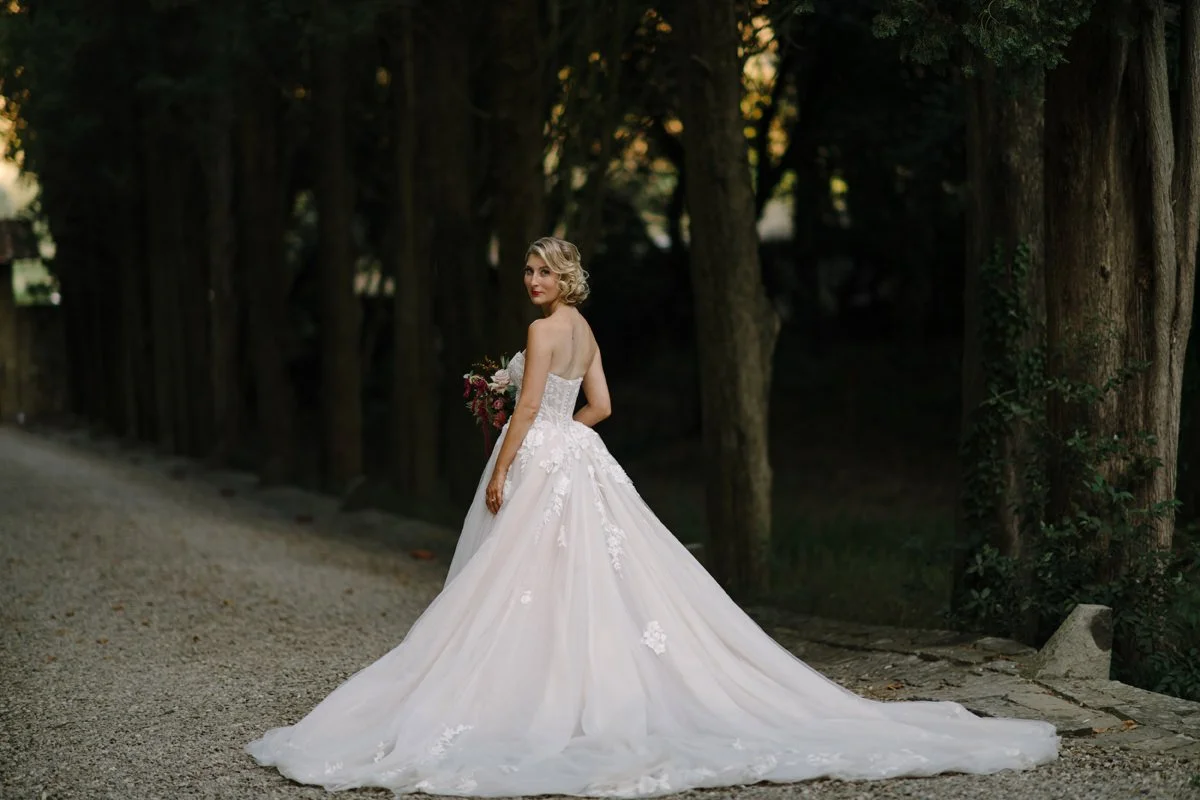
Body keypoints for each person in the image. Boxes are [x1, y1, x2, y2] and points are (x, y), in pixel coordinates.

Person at [246, 237, 1058, 797]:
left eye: (541, 271)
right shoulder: (587, 329)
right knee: (584, 579)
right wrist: (567, 438)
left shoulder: (537, 333)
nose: (531, 281)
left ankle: (531, 690)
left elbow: (527, 410)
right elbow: (602, 405)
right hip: (582, 461)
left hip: (539, 461)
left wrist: (503, 467)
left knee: (512, 582)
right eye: (527, 271)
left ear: (563, 278)